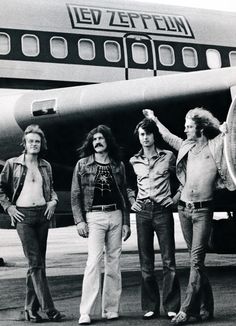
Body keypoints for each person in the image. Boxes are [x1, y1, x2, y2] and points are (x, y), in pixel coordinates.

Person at [143, 108, 236, 325]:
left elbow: (230, 136)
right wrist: (154, 119)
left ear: (200, 128)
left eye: (189, 125)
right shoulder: (186, 145)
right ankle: (206, 308)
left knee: (196, 260)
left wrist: (226, 128)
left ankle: (186, 309)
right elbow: (167, 136)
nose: (185, 129)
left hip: (203, 211)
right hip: (184, 209)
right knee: (198, 264)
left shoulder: (216, 145)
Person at [0, 124, 64, 322]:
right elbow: (0, 188)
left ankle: (29, 309)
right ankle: (49, 308)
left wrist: (53, 201)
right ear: (25, 143)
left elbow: (51, 189)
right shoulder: (13, 164)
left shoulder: (46, 165)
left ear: (41, 144)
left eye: (37, 141)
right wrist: (9, 207)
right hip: (24, 217)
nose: (34, 144)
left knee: (36, 264)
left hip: (42, 215)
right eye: (31, 141)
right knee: (36, 263)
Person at [71, 125, 131, 325]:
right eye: (94, 139)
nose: (97, 142)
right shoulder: (82, 165)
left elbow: (124, 195)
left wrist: (126, 222)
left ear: (108, 142)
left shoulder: (118, 165)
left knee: (114, 263)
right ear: (91, 143)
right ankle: (85, 312)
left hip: (115, 214)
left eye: (101, 139)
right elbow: (75, 195)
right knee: (93, 262)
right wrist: (79, 220)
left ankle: (111, 309)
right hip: (94, 216)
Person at [128, 118, 181, 320]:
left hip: (163, 211)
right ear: (139, 137)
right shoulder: (134, 161)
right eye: (142, 134)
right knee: (145, 262)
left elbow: (183, 176)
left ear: (154, 135)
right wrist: (132, 200)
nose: (146, 138)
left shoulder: (168, 156)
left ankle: (171, 305)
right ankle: (150, 306)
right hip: (143, 212)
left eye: (148, 134)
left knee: (169, 261)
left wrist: (175, 198)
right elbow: (128, 184)